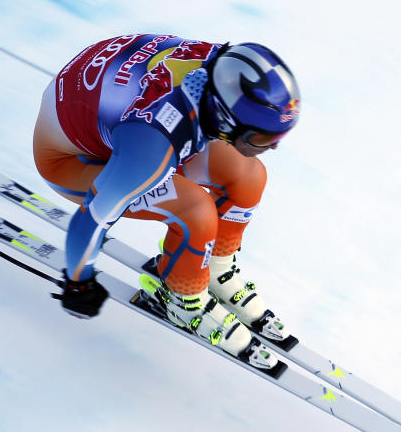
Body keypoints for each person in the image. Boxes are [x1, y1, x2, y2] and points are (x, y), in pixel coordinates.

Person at [32, 34, 300, 370]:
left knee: (249, 177)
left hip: (109, 110)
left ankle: (211, 268)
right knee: (196, 210)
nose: (273, 146)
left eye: (279, 136)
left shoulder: (224, 69)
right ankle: (182, 301)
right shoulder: (151, 141)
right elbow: (93, 218)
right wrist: (78, 283)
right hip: (71, 159)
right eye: (262, 137)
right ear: (225, 117)